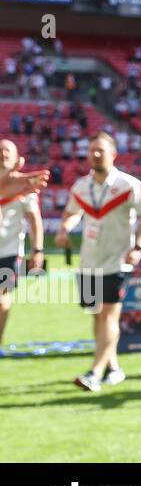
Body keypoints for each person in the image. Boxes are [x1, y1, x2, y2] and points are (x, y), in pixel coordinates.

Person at [56, 133, 141, 392]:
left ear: (113, 154)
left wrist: (139, 247)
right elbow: (71, 214)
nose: (95, 155)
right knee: (97, 317)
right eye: (91, 150)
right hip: (89, 261)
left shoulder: (129, 184)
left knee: (109, 315)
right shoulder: (81, 186)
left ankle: (94, 373)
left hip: (117, 261)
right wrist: (64, 229)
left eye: (100, 150)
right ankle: (114, 368)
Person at [0, 139, 45, 345]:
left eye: (7, 152)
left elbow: (34, 220)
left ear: (18, 159)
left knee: (2, 299)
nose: (3, 155)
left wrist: (37, 250)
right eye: (0, 151)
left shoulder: (27, 187)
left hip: (8, 251)